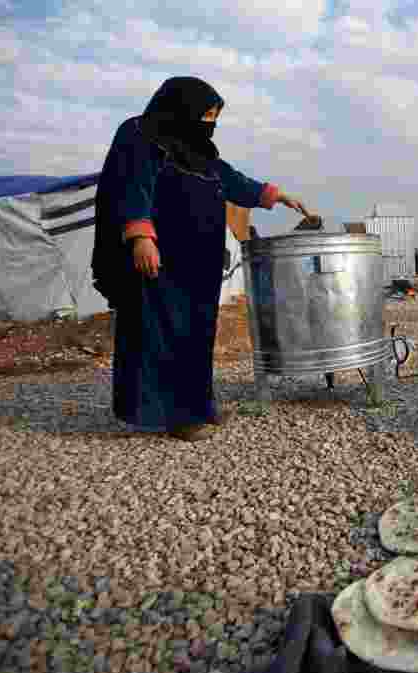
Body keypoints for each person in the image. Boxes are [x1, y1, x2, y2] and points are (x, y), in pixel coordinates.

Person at [92, 76, 313, 442]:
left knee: (198, 332)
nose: (209, 123)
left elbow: (230, 180)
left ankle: (198, 405)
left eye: (214, 116)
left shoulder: (199, 150)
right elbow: (132, 184)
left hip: (200, 261)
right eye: (205, 114)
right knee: (161, 332)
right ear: (183, 107)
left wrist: (275, 195)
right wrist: (141, 236)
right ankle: (171, 415)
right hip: (162, 259)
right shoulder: (140, 134)